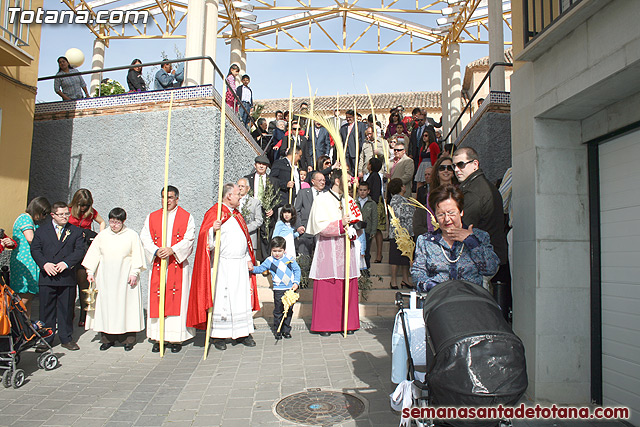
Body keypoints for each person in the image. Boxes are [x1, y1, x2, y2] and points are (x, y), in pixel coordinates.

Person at [187, 184, 259, 351]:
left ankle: (242, 333)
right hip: (223, 265)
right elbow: (205, 240)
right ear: (228, 196)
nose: (240, 197)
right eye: (237, 195)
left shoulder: (237, 215)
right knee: (222, 299)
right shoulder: (215, 213)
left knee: (240, 299)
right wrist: (212, 230)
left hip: (240, 264)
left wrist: (248, 258)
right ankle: (219, 335)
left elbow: (245, 239)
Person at [411, 185, 499, 291]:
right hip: (439, 300)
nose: (447, 219)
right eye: (441, 214)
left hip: (471, 300)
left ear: (461, 211)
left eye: (451, 213)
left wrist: (471, 241)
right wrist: (432, 286)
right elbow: (417, 275)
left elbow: (491, 268)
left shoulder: (479, 237)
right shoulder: (425, 241)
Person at [452, 147, 510, 308]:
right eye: (454, 166)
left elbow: (463, 228)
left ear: (475, 164)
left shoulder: (476, 191)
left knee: (475, 310)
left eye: (461, 164)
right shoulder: (475, 187)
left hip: (482, 260)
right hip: (484, 257)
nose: (456, 170)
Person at [140, 186, 195, 353]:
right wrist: (156, 251)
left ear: (177, 199)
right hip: (158, 264)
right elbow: (145, 237)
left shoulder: (186, 217)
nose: (167, 201)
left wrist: (172, 250)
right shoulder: (152, 217)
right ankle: (158, 337)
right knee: (158, 298)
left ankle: (175, 338)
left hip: (176, 264)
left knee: (176, 300)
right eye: (164, 197)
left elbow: (189, 238)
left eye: (170, 197)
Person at [82, 208, 147, 351]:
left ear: (123, 221)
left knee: (125, 307)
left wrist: (134, 272)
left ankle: (127, 339)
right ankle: (107, 339)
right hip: (105, 278)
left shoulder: (131, 235)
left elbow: (137, 255)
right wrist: (90, 271)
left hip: (125, 278)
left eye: (117, 222)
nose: (114, 225)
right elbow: (94, 254)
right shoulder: (102, 236)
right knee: (107, 307)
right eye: (112, 221)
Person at [306, 170, 360, 336]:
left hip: (346, 247)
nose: (351, 183)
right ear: (337, 180)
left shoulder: (349, 200)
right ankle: (325, 324)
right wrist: (340, 223)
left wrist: (354, 226)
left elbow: (358, 221)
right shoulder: (322, 199)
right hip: (329, 247)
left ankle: (348, 322)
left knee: (347, 283)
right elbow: (319, 226)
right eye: (347, 180)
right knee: (328, 284)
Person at [31, 201, 86, 351]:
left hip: (66, 276)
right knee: (46, 309)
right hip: (47, 276)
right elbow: (35, 249)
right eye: (61, 214)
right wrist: (45, 264)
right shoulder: (42, 231)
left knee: (66, 309)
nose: (64, 217)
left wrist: (66, 263)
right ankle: (46, 338)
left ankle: (66, 337)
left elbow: (80, 250)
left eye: (66, 214)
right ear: (53, 215)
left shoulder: (75, 231)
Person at [68, 188, 106, 327]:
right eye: (82, 205)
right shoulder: (69, 210)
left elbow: (102, 222)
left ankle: (84, 314)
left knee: (83, 282)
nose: (84, 208)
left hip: (85, 249)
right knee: (70, 283)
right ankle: (70, 313)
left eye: (86, 205)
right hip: (70, 249)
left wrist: (100, 238)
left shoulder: (91, 212)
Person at [250, 236, 301, 340]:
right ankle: (278, 329)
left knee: (288, 310)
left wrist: (296, 282)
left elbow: (297, 270)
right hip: (278, 289)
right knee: (278, 310)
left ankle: (286, 330)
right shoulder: (269, 260)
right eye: (274, 251)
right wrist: (251, 268)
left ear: (284, 250)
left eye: (279, 251)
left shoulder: (289, 259)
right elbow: (260, 269)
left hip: (290, 289)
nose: (277, 253)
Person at [9, 197, 51, 318]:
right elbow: (30, 238)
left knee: (29, 296)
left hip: (29, 261)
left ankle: (26, 327)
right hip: (25, 261)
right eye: (43, 214)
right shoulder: (25, 218)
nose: (43, 217)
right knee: (24, 295)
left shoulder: (28, 219)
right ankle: (17, 324)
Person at [244, 155, 279, 261]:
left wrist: (273, 209)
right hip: (251, 209)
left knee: (266, 236)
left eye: (264, 164)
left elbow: (277, 197)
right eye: (259, 164)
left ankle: (265, 261)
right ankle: (249, 259)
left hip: (266, 210)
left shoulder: (273, 181)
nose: (261, 166)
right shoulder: (247, 178)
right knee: (250, 234)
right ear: (255, 165)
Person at [413, 156, 457, 237]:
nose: (446, 170)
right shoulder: (432, 193)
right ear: (437, 172)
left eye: (450, 168)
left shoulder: (459, 191)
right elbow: (430, 216)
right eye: (442, 168)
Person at [387, 179, 415, 290]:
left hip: (407, 232)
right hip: (398, 233)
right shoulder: (396, 200)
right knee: (395, 258)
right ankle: (393, 280)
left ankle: (405, 279)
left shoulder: (404, 199)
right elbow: (397, 215)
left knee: (406, 258)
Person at [294, 171, 325, 257]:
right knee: (304, 257)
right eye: (320, 180)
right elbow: (296, 211)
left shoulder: (327, 194)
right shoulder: (303, 193)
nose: (322, 182)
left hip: (322, 231)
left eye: (324, 180)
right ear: (313, 181)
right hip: (305, 229)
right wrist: (299, 225)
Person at [365, 157, 385, 264]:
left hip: (375, 205)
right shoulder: (373, 176)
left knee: (376, 229)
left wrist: (373, 205)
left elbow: (376, 192)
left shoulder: (375, 177)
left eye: (369, 163)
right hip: (374, 203)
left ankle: (379, 254)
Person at [237, 177, 264, 257]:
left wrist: (245, 228)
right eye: (238, 186)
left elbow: (259, 220)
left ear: (248, 188)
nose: (240, 188)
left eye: (242, 186)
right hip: (235, 239)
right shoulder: (233, 201)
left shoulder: (255, 202)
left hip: (250, 237)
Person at [356, 181, 378, 271]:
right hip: (356, 231)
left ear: (368, 191)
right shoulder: (354, 202)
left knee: (366, 251)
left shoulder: (372, 203)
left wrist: (373, 231)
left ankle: (366, 269)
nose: (362, 192)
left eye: (364, 190)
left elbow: (374, 218)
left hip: (367, 231)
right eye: (360, 190)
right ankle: (357, 269)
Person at [339, 109, 367, 174]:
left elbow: (362, 138)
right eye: (347, 117)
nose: (348, 119)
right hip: (346, 153)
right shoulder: (343, 128)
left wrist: (360, 150)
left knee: (356, 170)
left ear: (354, 117)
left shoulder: (360, 125)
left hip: (356, 152)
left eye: (350, 117)